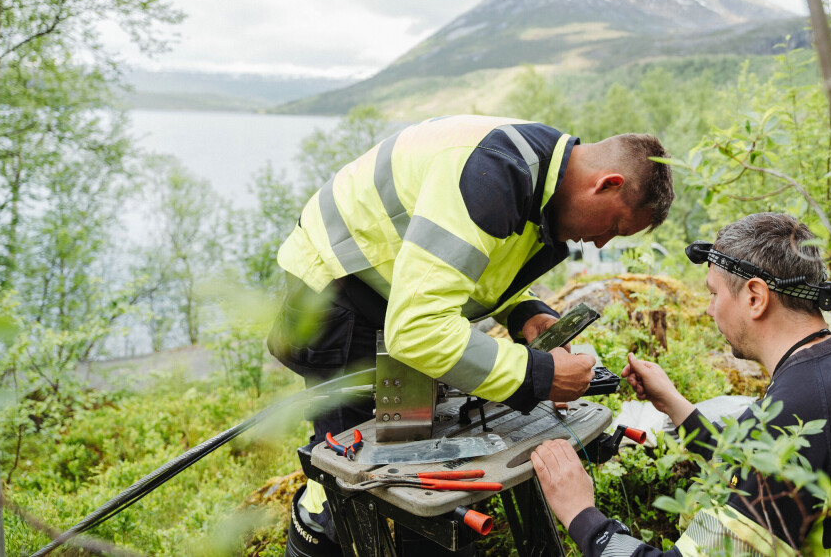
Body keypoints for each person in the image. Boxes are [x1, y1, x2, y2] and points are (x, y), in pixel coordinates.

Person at [267, 114, 675, 556]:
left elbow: (470, 263)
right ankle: (313, 527)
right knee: (358, 471)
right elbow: (417, 330)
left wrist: (525, 312)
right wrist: (538, 374)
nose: (600, 245)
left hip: (392, 298)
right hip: (339, 295)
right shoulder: (493, 176)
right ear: (607, 184)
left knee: (416, 453)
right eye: (614, 227)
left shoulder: (539, 182)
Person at [532, 212, 831, 556]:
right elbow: (777, 473)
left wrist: (582, 514)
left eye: (713, 293)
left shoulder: (793, 414)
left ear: (756, 297)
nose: (709, 309)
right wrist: (676, 406)